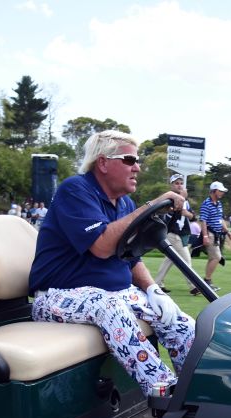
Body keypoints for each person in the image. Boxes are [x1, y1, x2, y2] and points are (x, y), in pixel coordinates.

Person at [29, 130, 194, 397]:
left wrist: (154, 290)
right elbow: (102, 246)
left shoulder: (125, 204)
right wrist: (151, 205)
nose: (137, 168)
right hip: (56, 296)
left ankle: (195, 389)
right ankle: (164, 390)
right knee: (109, 305)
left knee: (178, 321)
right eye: (129, 160)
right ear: (103, 163)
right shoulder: (75, 190)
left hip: (113, 294)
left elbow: (131, 258)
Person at [153, 173, 196, 294]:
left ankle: (157, 283)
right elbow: (172, 216)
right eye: (176, 183)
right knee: (186, 260)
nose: (179, 185)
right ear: (171, 185)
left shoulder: (185, 200)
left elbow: (193, 217)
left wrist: (187, 213)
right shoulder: (169, 199)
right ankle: (194, 286)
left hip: (182, 233)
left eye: (181, 183)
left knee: (169, 260)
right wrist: (181, 203)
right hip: (172, 233)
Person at [196, 181, 231, 293]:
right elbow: (203, 221)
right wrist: (205, 236)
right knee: (216, 257)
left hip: (217, 234)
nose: (222, 193)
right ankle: (207, 281)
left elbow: (220, 220)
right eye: (220, 191)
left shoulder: (219, 204)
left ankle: (206, 282)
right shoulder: (206, 204)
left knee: (213, 258)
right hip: (210, 233)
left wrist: (227, 232)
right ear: (214, 191)